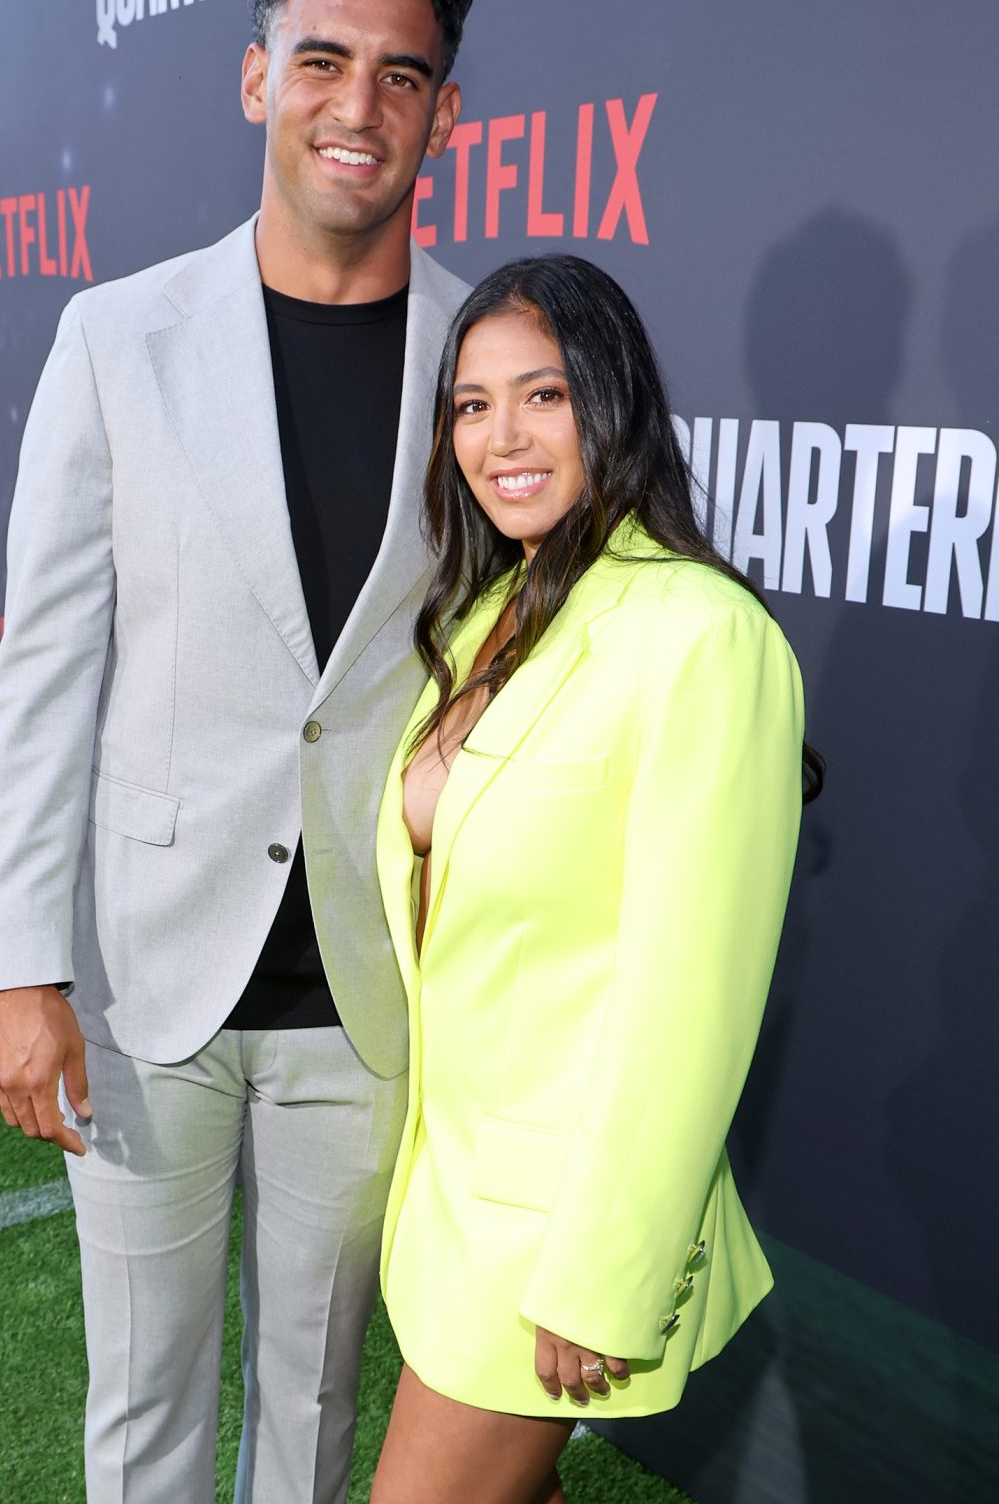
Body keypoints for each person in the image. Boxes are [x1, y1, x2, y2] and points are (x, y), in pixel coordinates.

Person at [0, 0, 473, 1504]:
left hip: (368, 996)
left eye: (402, 76)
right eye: (322, 60)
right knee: (146, 1420)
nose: (359, 107)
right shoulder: (116, 339)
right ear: (256, 78)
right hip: (143, 991)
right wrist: (19, 966)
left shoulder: (488, 354)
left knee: (314, 1417)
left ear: (445, 112)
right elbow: (46, 672)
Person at [369, 255, 821, 1504]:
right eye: (470, 404)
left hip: (551, 1234)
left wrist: (606, 1270)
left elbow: (694, 994)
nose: (500, 438)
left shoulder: (704, 639)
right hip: (444, 1198)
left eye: (543, 395)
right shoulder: (490, 613)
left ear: (612, 405)